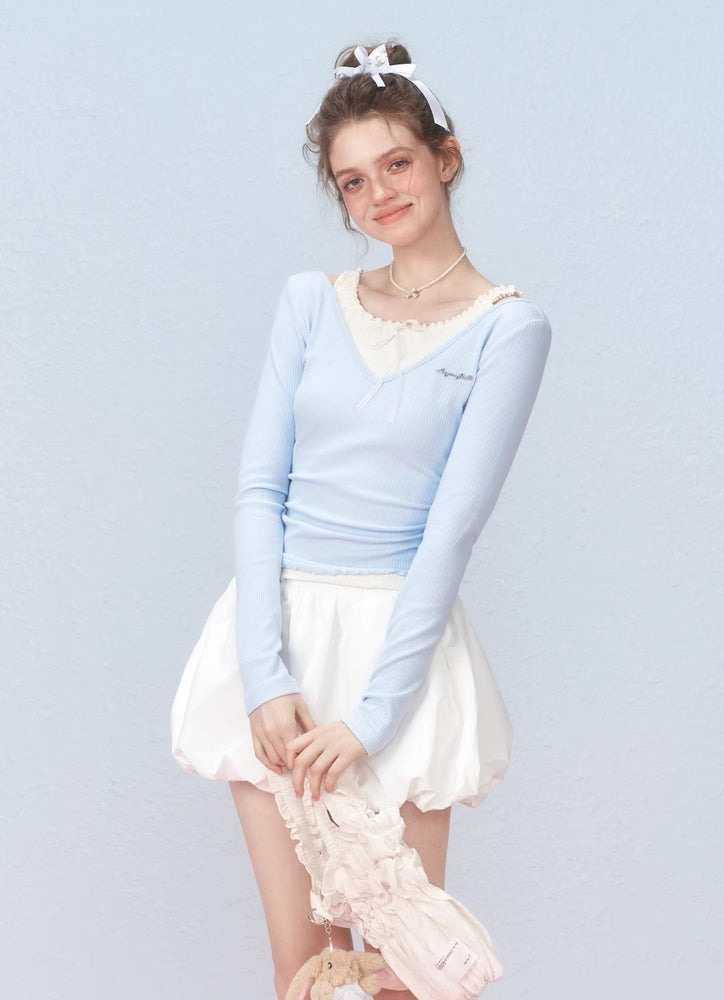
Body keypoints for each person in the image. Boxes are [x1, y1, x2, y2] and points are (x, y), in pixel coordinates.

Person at [170, 39, 552, 1000]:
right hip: (280, 643)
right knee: (305, 971)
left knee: (399, 976)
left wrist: (374, 718)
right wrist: (266, 678)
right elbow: (261, 489)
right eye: (352, 180)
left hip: (399, 655)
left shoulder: (508, 328)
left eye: (396, 163)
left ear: (444, 159)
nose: (379, 194)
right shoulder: (311, 303)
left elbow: (450, 533)